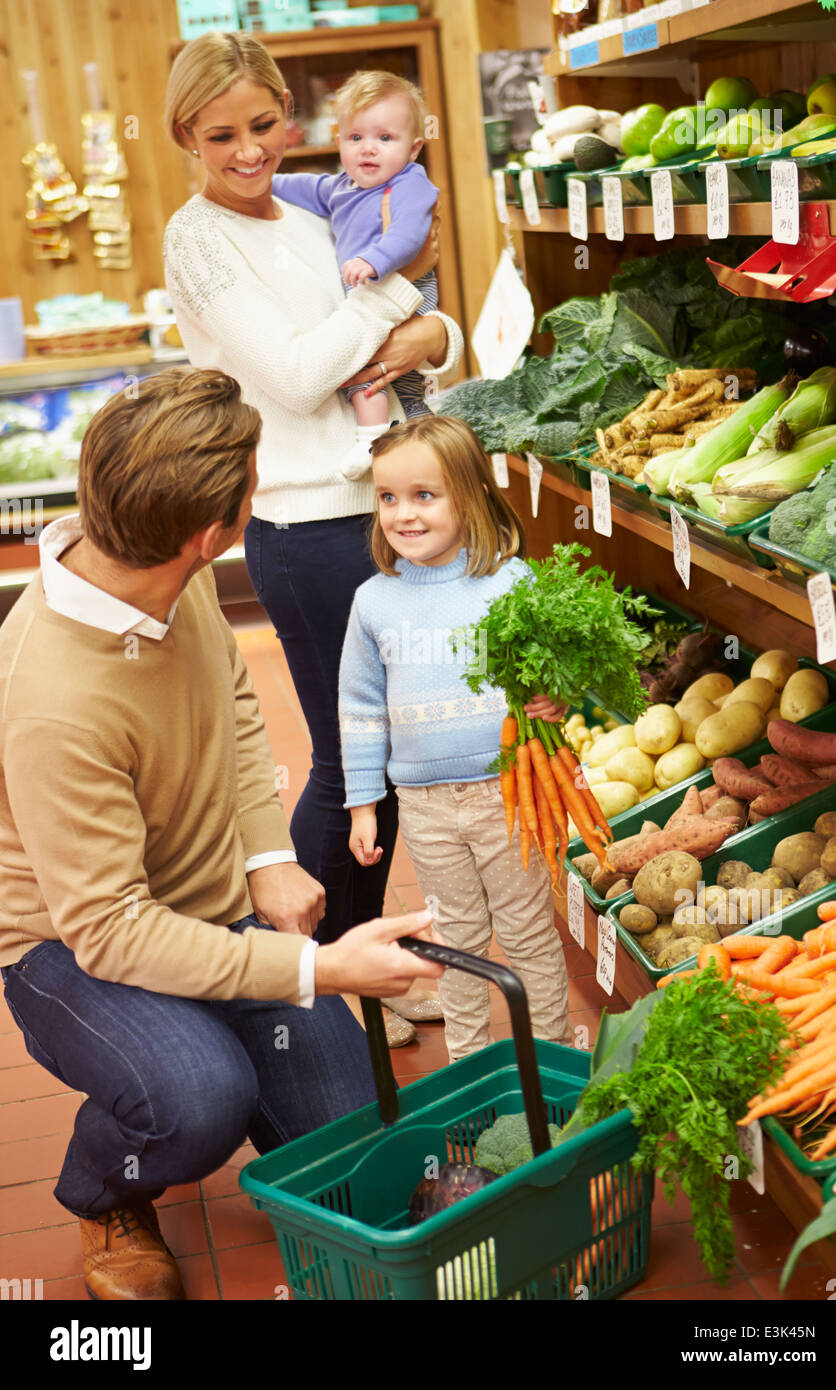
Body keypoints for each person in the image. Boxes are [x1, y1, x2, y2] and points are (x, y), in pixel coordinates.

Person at [0, 368, 444, 1302]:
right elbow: (113, 931)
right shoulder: (51, 701)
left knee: (355, 1141)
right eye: (254, 481)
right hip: (67, 946)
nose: (260, 489)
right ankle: (105, 1193)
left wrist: (266, 854)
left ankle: (199, 1039)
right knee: (198, 1099)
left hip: (206, 907)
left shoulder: (163, 569)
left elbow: (234, 703)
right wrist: (321, 970)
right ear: (215, 532)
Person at [162, 36, 464, 1038]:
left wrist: (434, 332)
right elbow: (297, 373)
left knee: (385, 761)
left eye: (262, 124)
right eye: (221, 134)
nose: (248, 150)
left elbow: (409, 332)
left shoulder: (311, 208)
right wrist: (399, 295)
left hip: (373, 511)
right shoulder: (196, 240)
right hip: (300, 526)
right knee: (348, 766)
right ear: (184, 137)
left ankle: (356, 971)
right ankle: (331, 983)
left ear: (288, 113)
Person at [338, 415, 573, 1062]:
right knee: (456, 941)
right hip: (424, 806)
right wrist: (363, 802)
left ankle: (549, 1062)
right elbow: (358, 708)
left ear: (467, 497)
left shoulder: (510, 583)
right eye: (388, 498)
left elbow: (551, 670)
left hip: (509, 793)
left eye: (423, 496)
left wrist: (555, 695)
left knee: (527, 934)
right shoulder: (373, 603)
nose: (403, 515)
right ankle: (469, 1070)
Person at [272, 69, 440, 478]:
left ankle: (374, 439)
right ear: (339, 142)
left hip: (407, 289)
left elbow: (411, 232)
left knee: (380, 372)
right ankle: (392, 436)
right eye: (356, 138)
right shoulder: (341, 187)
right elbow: (304, 188)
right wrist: (266, 183)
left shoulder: (407, 183)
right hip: (370, 297)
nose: (369, 149)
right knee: (369, 371)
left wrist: (375, 260)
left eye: (385, 138)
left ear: (414, 148)